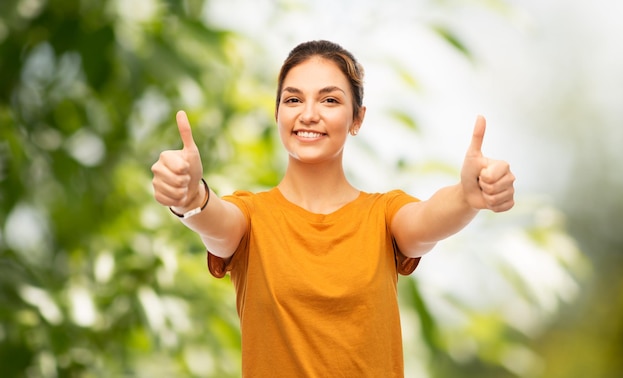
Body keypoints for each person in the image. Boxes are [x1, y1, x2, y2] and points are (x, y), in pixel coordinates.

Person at [151, 40, 515, 377]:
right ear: (277, 112)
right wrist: (190, 197)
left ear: (357, 118)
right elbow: (216, 220)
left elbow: (426, 220)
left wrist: (467, 197)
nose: (309, 114)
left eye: (329, 100)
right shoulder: (251, 218)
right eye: (293, 100)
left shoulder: (383, 215)